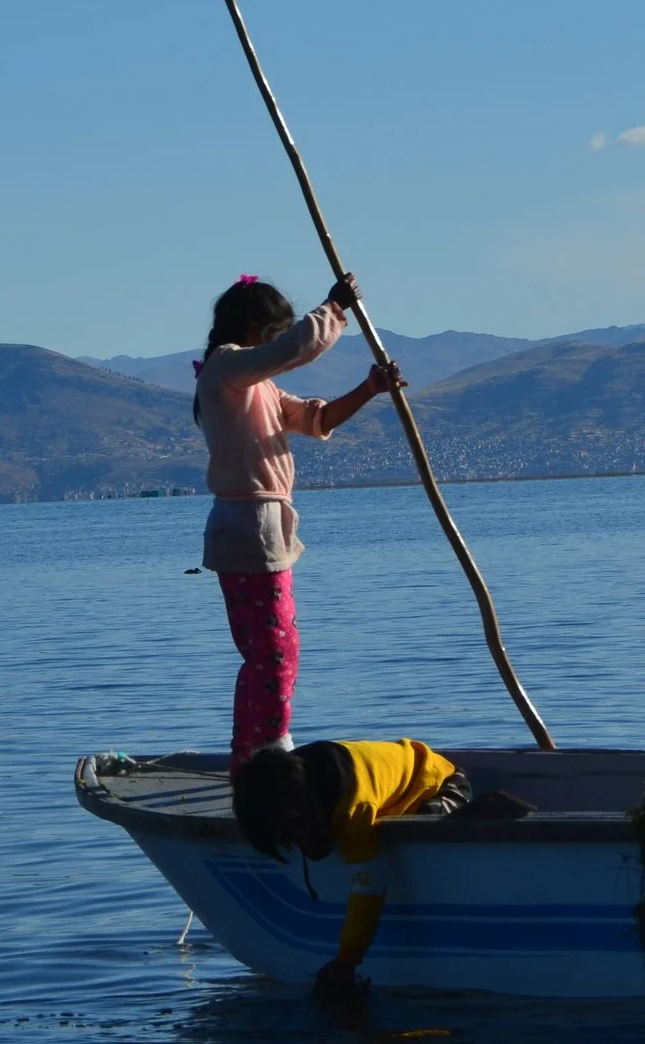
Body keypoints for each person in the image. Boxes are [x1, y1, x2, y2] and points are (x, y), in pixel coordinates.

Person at [195, 273, 400, 765]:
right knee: (276, 652)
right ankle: (270, 753)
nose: (273, 345)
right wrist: (333, 309)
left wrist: (369, 389)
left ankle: (249, 754)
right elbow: (295, 348)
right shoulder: (226, 367)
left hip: (247, 526)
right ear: (252, 328)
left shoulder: (251, 385)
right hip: (249, 526)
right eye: (270, 334)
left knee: (264, 653)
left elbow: (316, 418)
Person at [231, 738, 471, 995]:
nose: (307, 848)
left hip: (440, 784)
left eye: (299, 831)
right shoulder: (289, 777)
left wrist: (346, 962)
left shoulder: (355, 808)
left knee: (416, 829)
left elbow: (371, 888)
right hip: (389, 787)